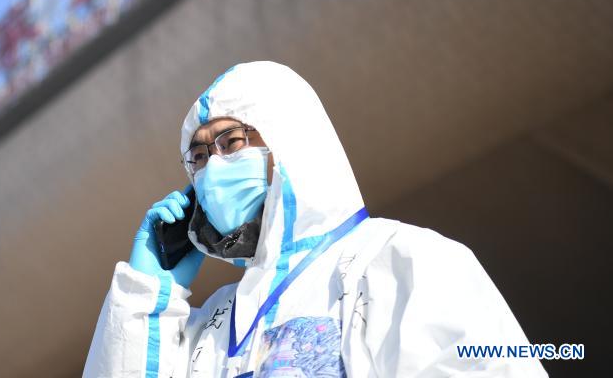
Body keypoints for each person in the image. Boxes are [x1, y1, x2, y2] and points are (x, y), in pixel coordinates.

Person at [84, 61, 546, 377]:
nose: (211, 169)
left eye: (230, 142)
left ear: (288, 138)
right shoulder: (213, 325)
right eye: (199, 156)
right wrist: (144, 301)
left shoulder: (398, 259)